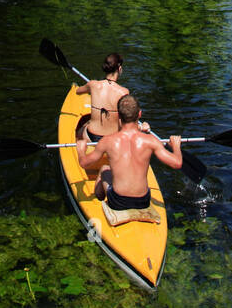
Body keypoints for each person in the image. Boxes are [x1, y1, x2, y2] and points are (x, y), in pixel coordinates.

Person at [76, 94, 183, 224]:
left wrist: (81, 150)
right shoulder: (151, 141)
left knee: (104, 169)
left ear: (118, 117)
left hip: (118, 201)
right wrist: (176, 146)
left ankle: (99, 200)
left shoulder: (107, 141)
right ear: (139, 114)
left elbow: (84, 163)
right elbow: (177, 163)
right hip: (143, 201)